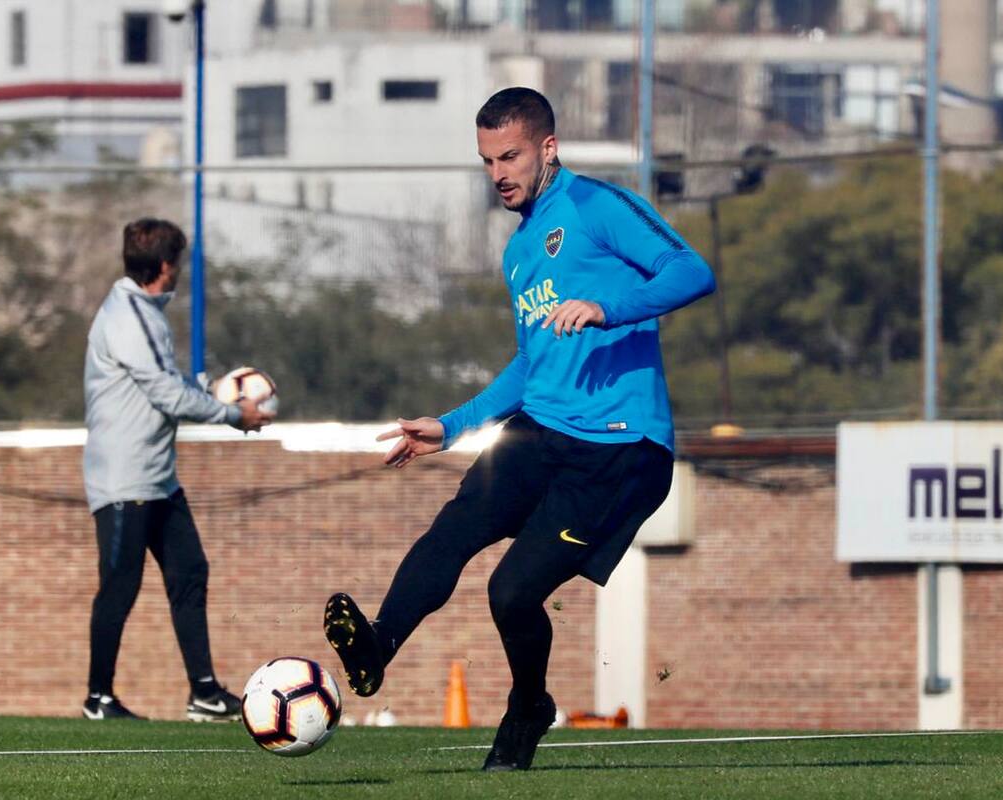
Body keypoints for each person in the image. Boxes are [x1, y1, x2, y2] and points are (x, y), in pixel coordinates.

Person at [323, 88, 715, 770]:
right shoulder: (520, 249)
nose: (499, 172)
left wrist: (605, 307)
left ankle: (528, 705)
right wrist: (450, 427)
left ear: (548, 148)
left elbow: (692, 271)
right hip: (542, 430)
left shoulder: (596, 206)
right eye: (486, 161)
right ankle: (378, 647)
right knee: (453, 528)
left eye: (510, 156)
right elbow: (530, 367)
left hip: (619, 448)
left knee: (510, 592)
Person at [83, 218, 273, 721]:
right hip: (125, 479)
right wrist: (233, 414)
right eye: (180, 264)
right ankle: (98, 698)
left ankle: (205, 692)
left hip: (158, 478)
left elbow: (170, 384)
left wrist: (210, 393)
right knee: (119, 586)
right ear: (166, 266)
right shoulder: (127, 313)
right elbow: (164, 394)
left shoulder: (145, 313)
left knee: (190, 570)